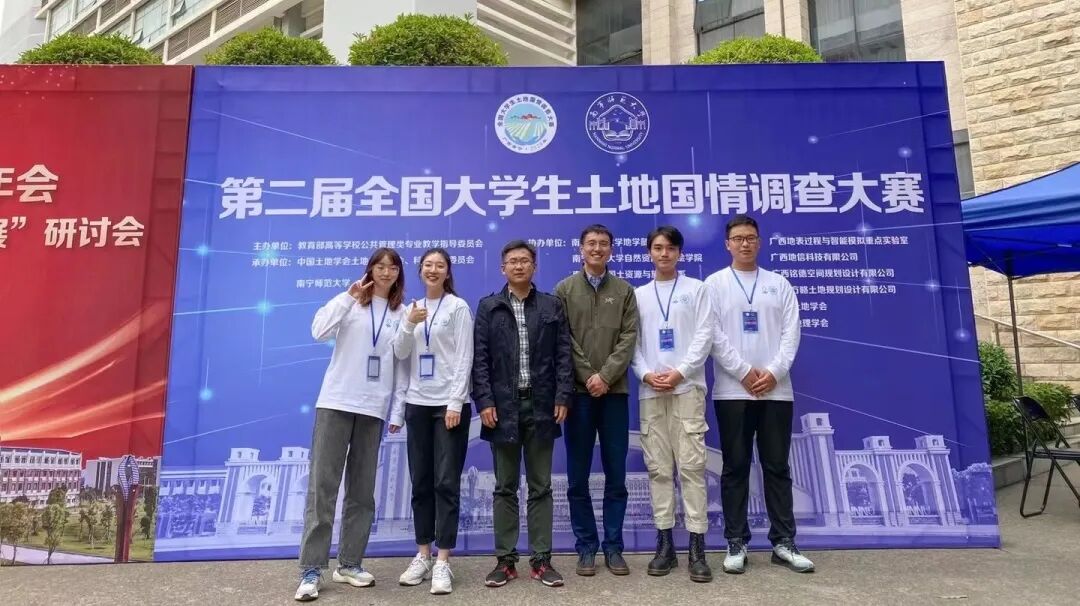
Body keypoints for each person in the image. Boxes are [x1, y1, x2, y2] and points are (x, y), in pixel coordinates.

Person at [295, 248, 409, 602]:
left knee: (362, 492)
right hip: (336, 402)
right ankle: (312, 569)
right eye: (380, 266)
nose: (386, 272)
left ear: (399, 274)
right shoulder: (351, 303)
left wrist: (397, 411)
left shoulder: (402, 313)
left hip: (373, 409)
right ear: (369, 270)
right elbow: (318, 330)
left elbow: (402, 363)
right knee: (323, 488)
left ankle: (349, 564)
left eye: (393, 267)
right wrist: (348, 297)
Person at [705, 214, 814, 575]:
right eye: (738, 238)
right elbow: (713, 335)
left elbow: (791, 333)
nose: (745, 243)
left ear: (759, 242)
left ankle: (784, 542)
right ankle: (736, 542)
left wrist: (773, 372)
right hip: (732, 391)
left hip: (776, 391)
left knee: (777, 467)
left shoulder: (779, 284)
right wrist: (743, 371)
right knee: (735, 467)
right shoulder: (714, 285)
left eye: (750, 238)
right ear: (728, 244)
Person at [472, 239, 573, 588]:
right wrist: (485, 402)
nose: (518, 266)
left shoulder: (551, 305)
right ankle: (505, 560)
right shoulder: (489, 307)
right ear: (503, 268)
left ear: (534, 266)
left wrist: (563, 396)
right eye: (512, 261)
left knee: (541, 486)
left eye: (525, 261)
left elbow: (563, 355)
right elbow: (480, 360)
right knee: (505, 486)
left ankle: (542, 560)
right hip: (502, 409)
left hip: (542, 406)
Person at [631, 226, 719, 583]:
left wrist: (680, 372)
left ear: (680, 253)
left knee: (692, 468)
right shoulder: (638, 295)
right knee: (658, 469)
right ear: (649, 253)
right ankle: (664, 544)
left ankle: (697, 547)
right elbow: (632, 343)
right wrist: (645, 374)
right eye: (657, 248)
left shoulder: (697, 290)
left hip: (687, 389)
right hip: (651, 391)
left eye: (670, 248)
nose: (663, 254)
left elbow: (705, 336)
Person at [554, 224, 638, 577]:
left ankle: (614, 548)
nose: (597, 249)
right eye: (591, 243)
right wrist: (589, 375)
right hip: (578, 394)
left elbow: (629, 338)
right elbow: (563, 339)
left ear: (611, 250)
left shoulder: (624, 291)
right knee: (577, 477)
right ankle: (586, 547)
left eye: (604, 244)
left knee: (616, 475)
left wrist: (605, 377)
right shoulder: (564, 290)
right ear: (581, 249)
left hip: (614, 393)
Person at [392, 248, 474, 595]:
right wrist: (410, 323)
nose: (434, 270)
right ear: (420, 271)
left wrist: (455, 401)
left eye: (440, 265)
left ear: (448, 272)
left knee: (446, 482)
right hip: (417, 405)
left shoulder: (457, 307)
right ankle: (423, 554)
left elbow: (465, 357)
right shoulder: (409, 309)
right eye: (428, 265)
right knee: (421, 482)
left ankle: (443, 560)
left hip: (448, 407)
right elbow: (399, 353)